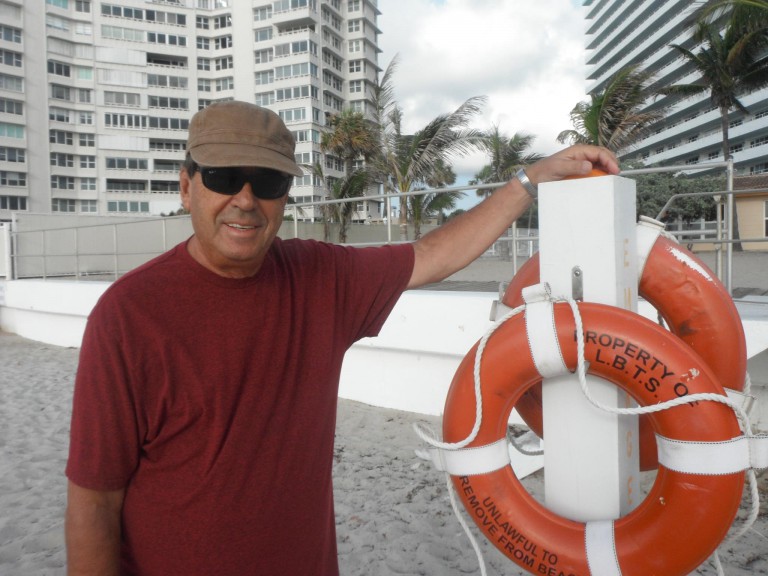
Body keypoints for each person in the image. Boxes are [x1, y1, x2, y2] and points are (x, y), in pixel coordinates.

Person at [65, 101, 618, 575]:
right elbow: (94, 497)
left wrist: (528, 181)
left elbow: (432, 256)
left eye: (271, 183)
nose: (246, 199)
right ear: (187, 187)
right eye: (225, 177)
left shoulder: (318, 278)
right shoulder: (130, 315)